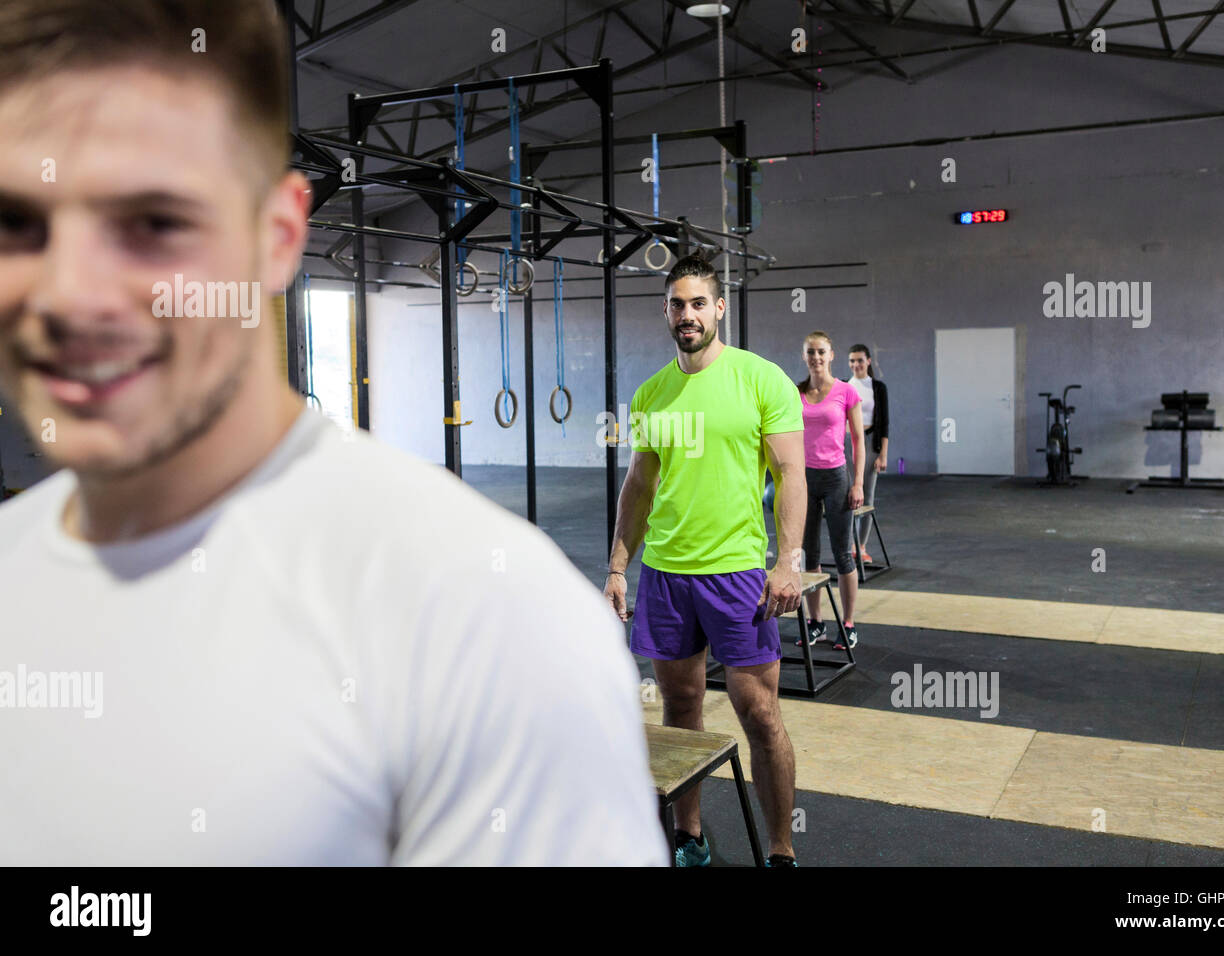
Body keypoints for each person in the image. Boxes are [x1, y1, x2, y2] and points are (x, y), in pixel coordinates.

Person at [0, 0, 665, 866]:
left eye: (153, 223)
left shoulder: (491, 624)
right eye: (16, 223)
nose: (71, 297)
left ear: (278, 237)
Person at [604, 254, 806, 868]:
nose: (687, 314)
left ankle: (780, 849)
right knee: (680, 710)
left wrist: (789, 559)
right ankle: (689, 836)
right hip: (666, 575)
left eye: (698, 303)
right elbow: (639, 486)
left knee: (760, 712)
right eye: (676, 304)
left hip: (738, 574)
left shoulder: (760, 379)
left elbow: (792, 473)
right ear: (666, 312)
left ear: (720, 308)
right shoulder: (651, 392)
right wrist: (618, 565)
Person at [795, 332, 864, 651]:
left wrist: (858, 482)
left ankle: (848, 624)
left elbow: (858, 440)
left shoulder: (846, 392)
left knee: (842, 554)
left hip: (837, 478)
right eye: (811, 352)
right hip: (805, 481)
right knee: (811, 554)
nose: (816, 357)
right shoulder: (796, 393)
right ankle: (816, 622)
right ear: (804, 356)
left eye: (821, 352)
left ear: (831, 354)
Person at [847, 344, 889, 560]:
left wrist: (883, 454)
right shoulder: (844, 386)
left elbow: (885, 423)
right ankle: (847, 545)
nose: (856, 365)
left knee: (867, 495)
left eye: (860, 360)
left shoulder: (878, 388)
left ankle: (860, 546)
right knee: (847, 496)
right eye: (852, 361)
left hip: (870, 443)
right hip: (846, 443)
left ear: (869, 361)